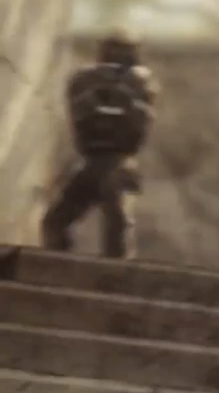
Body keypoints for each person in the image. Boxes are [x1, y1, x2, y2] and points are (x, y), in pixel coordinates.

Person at [42, 31, 158, 259]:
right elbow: (81, 108)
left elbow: (137, 119)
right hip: (97, 161)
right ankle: (62, 266)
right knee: (58, 223)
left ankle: (112, 274)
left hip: (114, 161)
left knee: (115, 229)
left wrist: (114, 86)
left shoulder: (138, 81)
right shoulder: (96, 79)